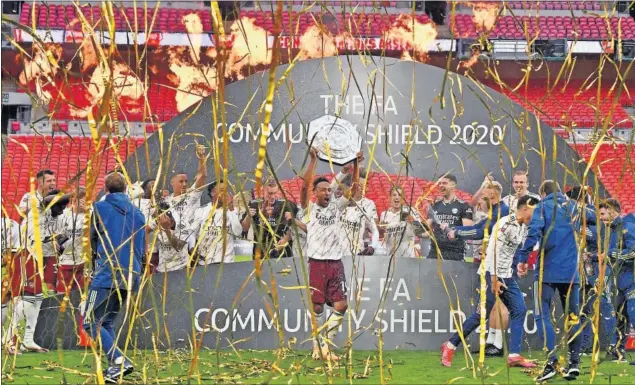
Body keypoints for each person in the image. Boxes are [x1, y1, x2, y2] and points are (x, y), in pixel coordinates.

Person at [441, 195, 539, 368]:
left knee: (519, 310)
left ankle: (514, 355)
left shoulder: (524, 226)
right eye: (534, 211)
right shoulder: (505, 224)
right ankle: (450, 345)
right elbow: (492, 251)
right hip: (491, 274)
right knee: (482, 314)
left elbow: (517, 249)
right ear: (524, 208)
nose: (536, 215)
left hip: (507, 274)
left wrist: (521, 264)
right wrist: (494, 280)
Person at [517, 180, 583, 381]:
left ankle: (552, 362)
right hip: (572, 273)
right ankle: (574, 363)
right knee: (573, 316)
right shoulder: (576, 208)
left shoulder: (543, 207)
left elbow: (534, 232)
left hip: (546, 273)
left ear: (543, 193)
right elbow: (594, 225)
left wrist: (523, 258)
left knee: (541, 314)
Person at [85, 172, 145, 383]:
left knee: (89, 321)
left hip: (105, 274)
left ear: (106, 189)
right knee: (107, 322)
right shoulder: (139, 213)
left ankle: (120, 361)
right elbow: (142, 248)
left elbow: (93, 238)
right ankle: (115, 367)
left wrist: (94, 265)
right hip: (131, 275)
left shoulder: (99, 208)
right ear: (126, 190)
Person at [301, 147, 360, 361]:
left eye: (329, 190)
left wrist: (355, 166)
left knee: (341, 306)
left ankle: (326, 346)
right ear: (315, 193)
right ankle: (317, 346)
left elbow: (353, 190)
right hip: (317, 263)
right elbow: (304, 186)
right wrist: (313, 161)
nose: (327, 193)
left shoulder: (337, 207)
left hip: (335, 263)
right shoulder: (309, 208)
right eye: (323, 190)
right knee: (317, 307)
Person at [8, 188, 70, 354]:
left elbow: (61, 237)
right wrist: (76, 192)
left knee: (37, 299)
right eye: (60, 206)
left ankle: (28, 340)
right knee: (28, 298)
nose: (63, 209)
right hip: (30, 254)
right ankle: (8, 338)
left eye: (65, 206)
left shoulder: (60, 216)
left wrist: (59, 242)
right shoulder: (39, 208)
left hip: (47, 257)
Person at [600, 199, 635, 365]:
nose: (602, 217)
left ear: (613, 211)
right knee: (621, 317)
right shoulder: (611, 230)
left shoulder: (627, 226)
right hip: (618, 280)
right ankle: (618, 352)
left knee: (634, 315)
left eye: (604, 212)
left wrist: (611, 253)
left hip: (632, 278)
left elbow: (633, 252)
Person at [243, 177, 302, 259]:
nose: (273, 196)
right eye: (270, 193)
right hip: (260, 254)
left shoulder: (287, 205)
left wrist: (286, 238)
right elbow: (244, 228)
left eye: (275, 192)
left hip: (283, 254)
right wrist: (247, 217)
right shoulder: (254, 204)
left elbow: (299, 226)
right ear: (263, 190)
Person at [189, 180, 243, 265]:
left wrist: (231, 208)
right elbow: (192, 232)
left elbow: (238, 232)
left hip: (226, 261)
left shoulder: (233, 211)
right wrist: (192, 247)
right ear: (212, 193)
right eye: (222, 190)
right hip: (205, 262)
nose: (225, 193)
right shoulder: (201, 211)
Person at [427, 174, 473, 261]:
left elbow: (468, 231)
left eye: (444, 183)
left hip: (455, 252)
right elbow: (426, 229)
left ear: (453, 186)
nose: (440, 186)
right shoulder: (434, 206)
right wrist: (416, 226)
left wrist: (451, 230)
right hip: (435, 252)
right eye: (439, 183)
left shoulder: (464, 206)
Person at [335, 168, 379, 256]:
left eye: (363, 186)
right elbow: (332, 186)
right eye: (360, 186)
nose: (362, 188)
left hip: (357, 254)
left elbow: (375, 230)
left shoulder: (364, 210)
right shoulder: (338, 205)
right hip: (338, 254)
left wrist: (373, 246)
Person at [55, 187, 88, 296]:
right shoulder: (63, 215)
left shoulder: (91, 214)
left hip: (83, 262)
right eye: (81, 200)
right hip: (65, 261)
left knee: (81, 294)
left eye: (86, 199)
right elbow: (55, 235)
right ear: (73, 200)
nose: (84, 202)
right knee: (62, 295)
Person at [379, 186, 424, 259]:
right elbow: (381, 236)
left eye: (400, 195)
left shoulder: (410, 211)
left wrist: (412, 220)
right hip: (391, 259)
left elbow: (420, 232)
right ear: (389, 197)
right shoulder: (384, 215)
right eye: (394, 195)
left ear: (403, 198)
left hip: (408, 258)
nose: (397, 197)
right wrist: (381, 229)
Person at [1, 214, 21, 326]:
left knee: (8, 296)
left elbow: (7, 258)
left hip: (19, 262)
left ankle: (12, 339)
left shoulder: (8, 226)